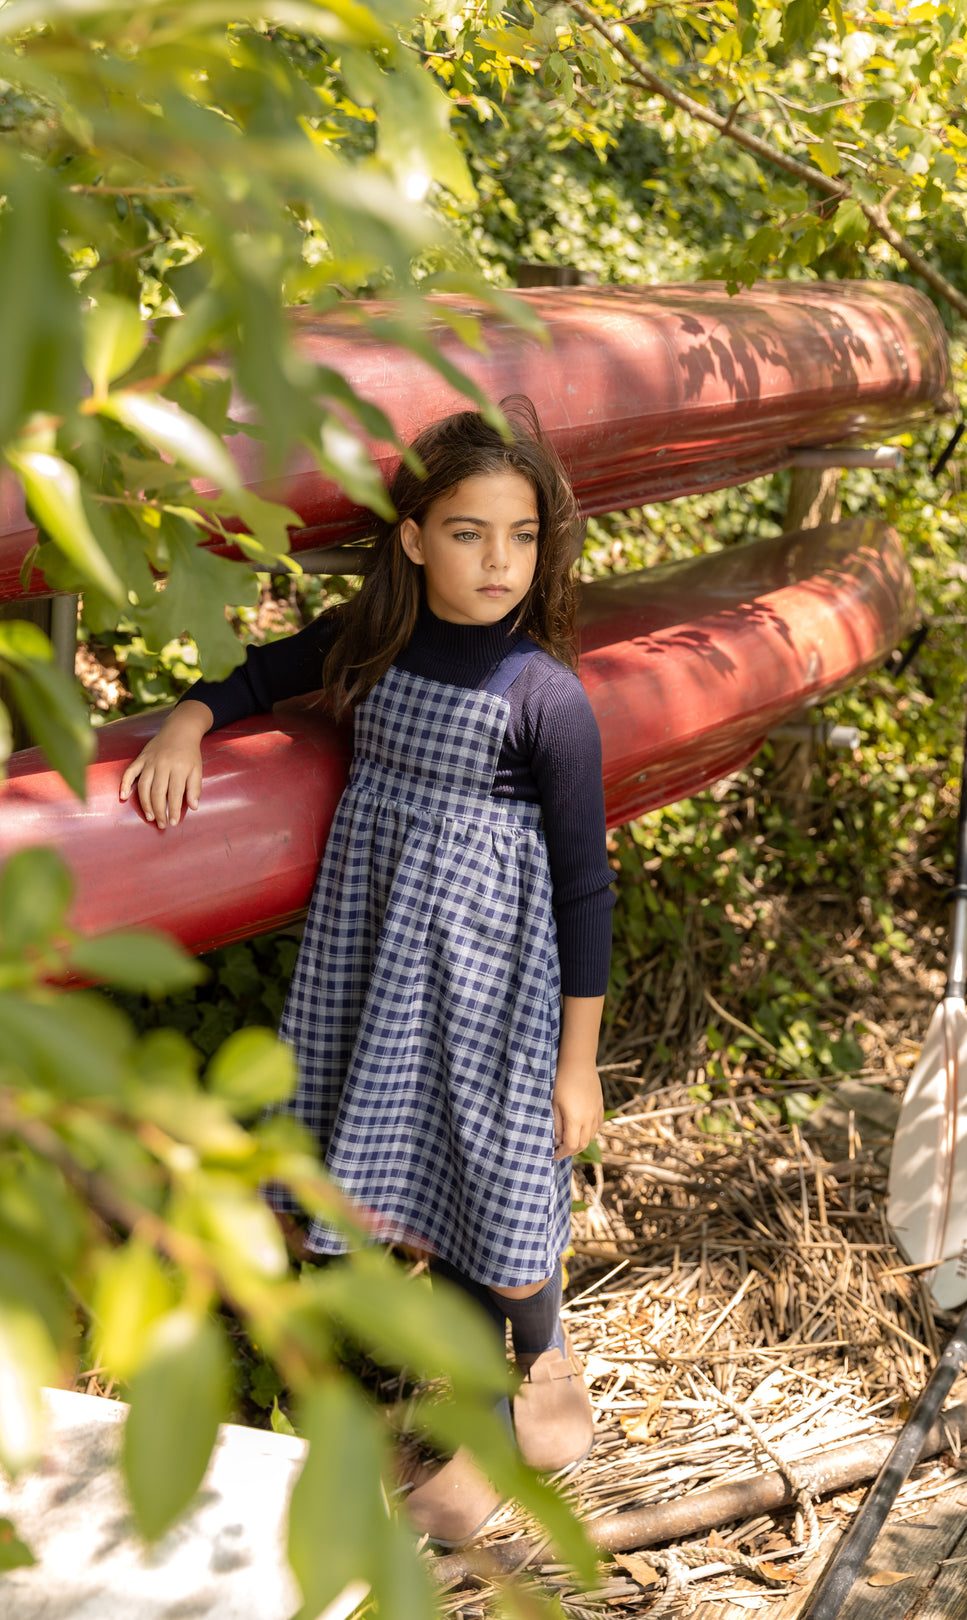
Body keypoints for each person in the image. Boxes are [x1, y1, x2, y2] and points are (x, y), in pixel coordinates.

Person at [119, 400, 615, 1544]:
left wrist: (576, 1062)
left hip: (492, 980)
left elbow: (586, 886)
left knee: (493, 1169)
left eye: (522, 538)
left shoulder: (543, 697)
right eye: (468, 533)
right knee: (422, 1180)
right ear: (411, 538)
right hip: (380, 963)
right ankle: (484, 1392)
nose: (498, 563)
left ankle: (532, 1377)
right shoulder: (377, 641)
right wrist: (191, 721)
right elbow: (266, 674)